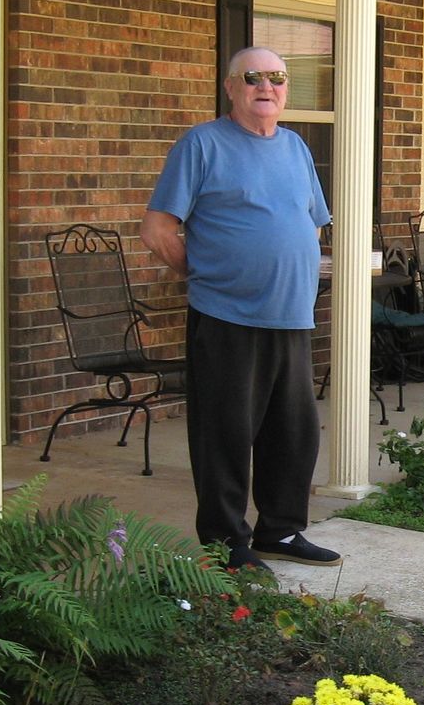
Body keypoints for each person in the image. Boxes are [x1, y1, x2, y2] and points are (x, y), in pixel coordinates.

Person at [141, 46, 341, 572]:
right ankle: (226, 542)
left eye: (277, 78)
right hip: (226, 315)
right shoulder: (202, 144)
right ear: (231, 87)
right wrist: (207, 273)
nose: (266, 87)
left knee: (294, 432)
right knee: (224, 434)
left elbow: (313, 221)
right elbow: (158, 229)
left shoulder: (296, 147)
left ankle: (282, 530)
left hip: (291, 315)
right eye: (252, 77)